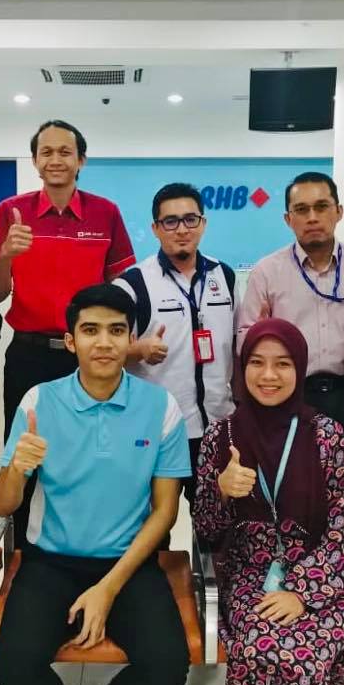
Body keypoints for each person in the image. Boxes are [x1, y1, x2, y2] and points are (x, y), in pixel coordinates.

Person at [0, 284, 191, 685]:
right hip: (50, 562)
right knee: (14, 667)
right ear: (71, 341)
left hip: (130, 564)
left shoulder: (161, 407)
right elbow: (2, 504)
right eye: (90, 330)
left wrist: (107, 588)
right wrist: (16, 470)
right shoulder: (38, 402)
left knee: (168, 667)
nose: (103, 342)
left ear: (131, 340)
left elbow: (165, 512)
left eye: (116, 331)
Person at [0, 120, 135, 545]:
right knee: (24, 456)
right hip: (29, 355)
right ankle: (20, 555)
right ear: (35, 161)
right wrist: (6, 256)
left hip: (88, 357)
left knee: (90, 456)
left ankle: (91, 545)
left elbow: (121, 289)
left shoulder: (105, 213)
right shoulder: (11, 212)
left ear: (81, 160)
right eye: (46, 152)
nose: (55, 160)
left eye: (65, 152)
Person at [193, 318, 344, 685]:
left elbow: (341, 530)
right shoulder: (221, 436)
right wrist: (221, 491)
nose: (268, 375)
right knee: (260, 649)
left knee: (302, 658)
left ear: (299, 368)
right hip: (249, 574)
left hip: (322, 575)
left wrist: (302, 592)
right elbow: (205, 531)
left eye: (282, 363)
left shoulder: (327, 436)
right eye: (257, 362)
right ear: (242, 367)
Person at [236, 171, 344, 554]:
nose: (312, 217)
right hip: (287, 400)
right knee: (288, 491)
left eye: (321, 206)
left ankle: (341, 570)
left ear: (338, 211)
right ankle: (287, 572)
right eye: (301, 209)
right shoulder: (268, 271)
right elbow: (246, 339)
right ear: (288, 219)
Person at [114, 182, 235, 507]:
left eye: (190, 219)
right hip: (157, 430)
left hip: (217, 427)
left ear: (203, 223)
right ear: (156, 228)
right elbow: (104, 354)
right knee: (151, 522)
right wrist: (137, 351)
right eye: (170, 222)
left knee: (215, 523)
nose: (182, 230)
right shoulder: (133, 283)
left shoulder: (224, 276)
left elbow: (236, 348)